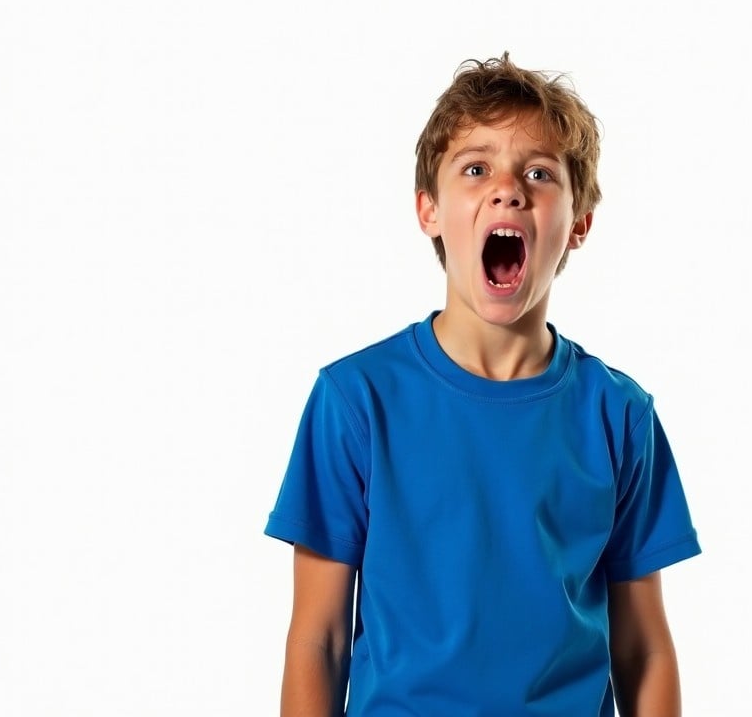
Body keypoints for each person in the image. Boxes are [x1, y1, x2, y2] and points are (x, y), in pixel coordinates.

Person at [264, 53, 701, 717]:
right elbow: (318, 639)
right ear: (429, 211)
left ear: (578, 223)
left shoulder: (619, 414)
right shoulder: (355, 400)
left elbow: (644, 648)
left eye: (538, 172)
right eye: (476, 168)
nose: (507, 188)